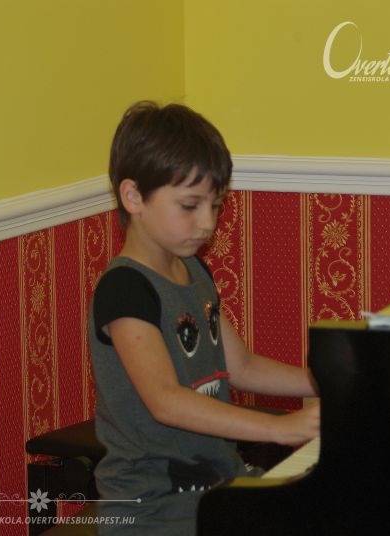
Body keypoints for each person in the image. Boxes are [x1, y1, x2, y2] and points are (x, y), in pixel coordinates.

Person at [88, 101, 320, 534]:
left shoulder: (193, 270)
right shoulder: (124, 289)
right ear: (133, 196)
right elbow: (165, 400)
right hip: (153, 508)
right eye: (190, 205)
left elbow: (241, 366)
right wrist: (279, 428)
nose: (208, 222)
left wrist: (323, 382)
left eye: (216, 205)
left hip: (217, 483)